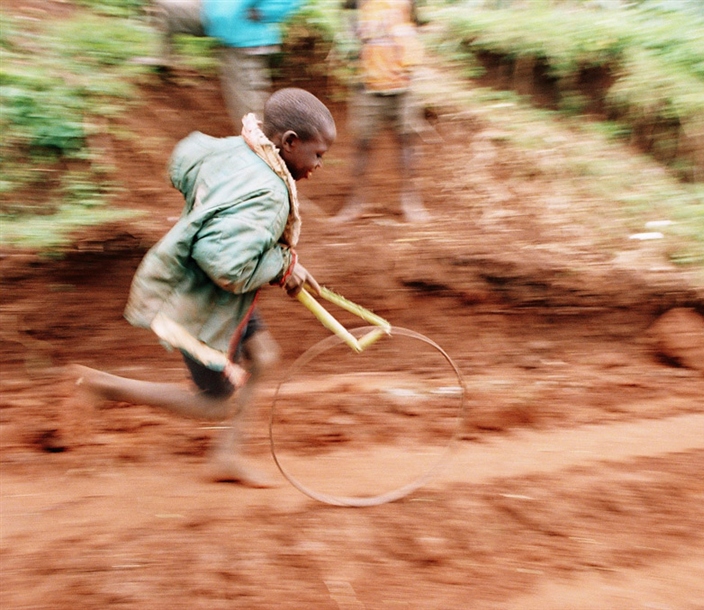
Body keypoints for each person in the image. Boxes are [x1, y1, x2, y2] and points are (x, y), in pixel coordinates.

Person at [64, 88, 336, 488]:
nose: (319, 165)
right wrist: (281, 267)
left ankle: (226, 457)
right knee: (213, 404)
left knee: (262, 356)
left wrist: (279, 259)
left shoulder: (240, 149)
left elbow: (188, 156)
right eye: (318, 155)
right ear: (289, 142)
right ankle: (99, 386)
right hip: (198, 298)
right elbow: (227, 266)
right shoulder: (271, 193)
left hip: (207, 284)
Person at [330, 0, 430, 223]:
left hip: (403, 80)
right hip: (367, 81)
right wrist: (351, 42)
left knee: (407, 141)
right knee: (362, 143)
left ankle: (410, 199)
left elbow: (418, 24)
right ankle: (356, 201)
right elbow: (346, 18)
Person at [145, 0, 306, 130]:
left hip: (245, 39)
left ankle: (264, 158)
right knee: (165, 8)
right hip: (210, 12)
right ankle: (164, 62)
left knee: (250, 116)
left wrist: (266, 12)